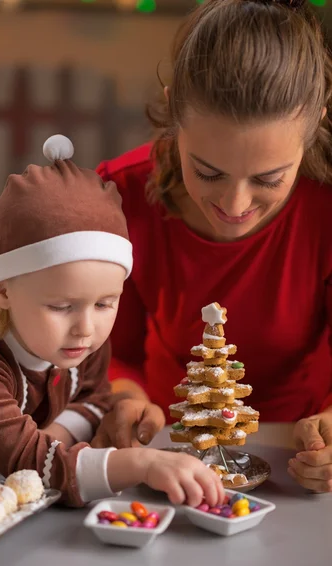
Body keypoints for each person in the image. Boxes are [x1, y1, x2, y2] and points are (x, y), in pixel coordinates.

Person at [91, 0, 332, 493]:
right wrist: (125, 398)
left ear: (314, 127)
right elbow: (112, 349)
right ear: (174, 112)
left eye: (269, 178)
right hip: (169, 454)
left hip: (300, 459)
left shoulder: (324, 209)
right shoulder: (121, 197)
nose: (234, 203)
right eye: (208, 171)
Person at [0, 135, 224, 508]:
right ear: (2, 290)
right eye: (60, 306)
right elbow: (30, 466)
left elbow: (96, 399)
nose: (86, 327)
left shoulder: (77, 343)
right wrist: (141, 463)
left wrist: (54, 435)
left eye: (105, 303)